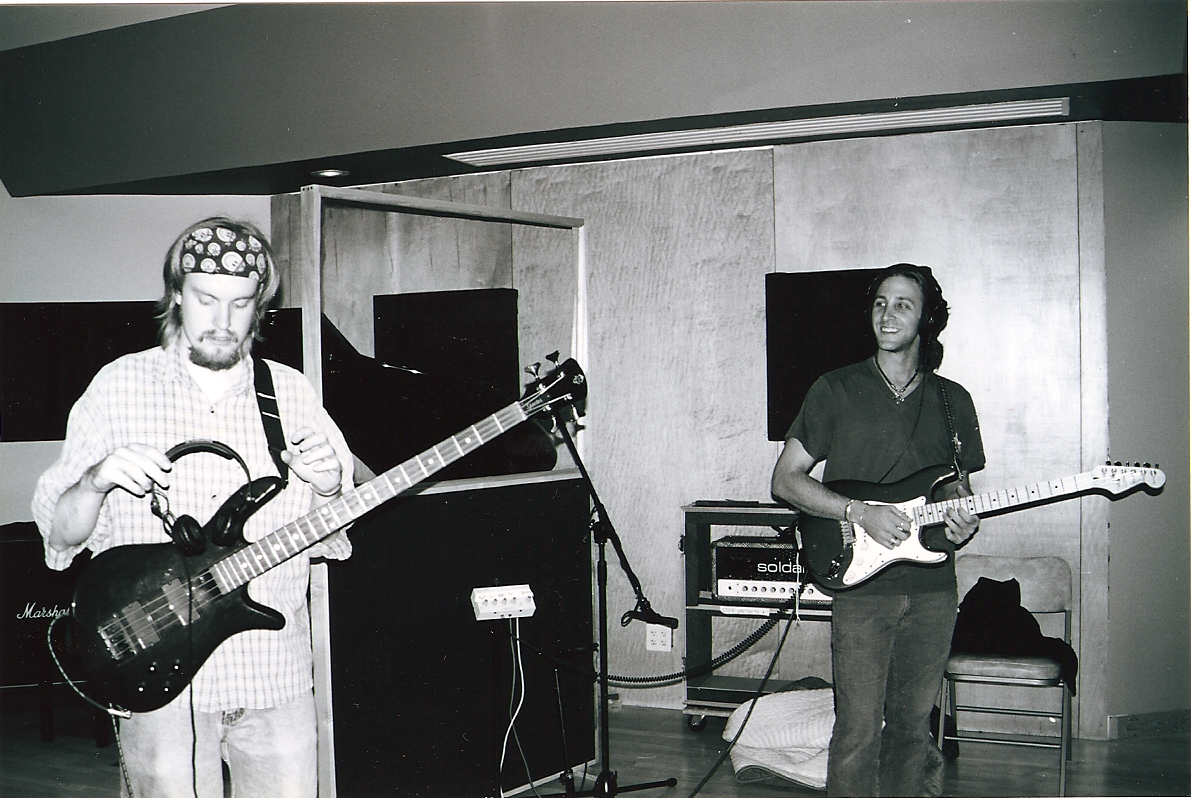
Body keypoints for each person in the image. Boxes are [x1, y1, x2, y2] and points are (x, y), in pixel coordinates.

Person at [32, 217, 354, 798]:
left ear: (260, 308)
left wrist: (330, 489)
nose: (223, 322)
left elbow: (331, 536)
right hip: (155, 672)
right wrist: (96, 480)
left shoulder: (293, 393)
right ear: (177, 295)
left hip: (270, 670)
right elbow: (60, 535)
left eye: (240, 304)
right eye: (207, 300)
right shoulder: (117, 386)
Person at [771, 263, 985, 797]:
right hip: (861, 590)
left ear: (927, 319)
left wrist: (960, 523)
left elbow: (956, 494)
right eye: (880, 303)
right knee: (858, 731)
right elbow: (786, 481)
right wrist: (859, 513)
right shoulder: (834, 389)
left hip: (934, 591)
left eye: (903, 304)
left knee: (914, 730)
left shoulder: (952, 400)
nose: (888, 314)